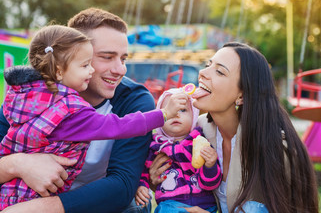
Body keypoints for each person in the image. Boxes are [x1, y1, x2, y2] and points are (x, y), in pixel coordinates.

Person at [0, 25, 187, 210]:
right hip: (31, 193)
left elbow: (122, 186)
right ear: (59, 69)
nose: (121, 70)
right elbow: (119, 126)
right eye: (105, 57)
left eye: (123, 59)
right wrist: (17, 164)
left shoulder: (22, 94)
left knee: (137, 205)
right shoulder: (70, 109)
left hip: (21, 197)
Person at [148, 42, 319, 213]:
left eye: (219, 71)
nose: (202, 73)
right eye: (208, 65)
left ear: (242, 95)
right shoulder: (196, 132)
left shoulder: (276, 149)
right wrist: (158, 182)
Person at [135, 88, 222, 213]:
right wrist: (142, 185)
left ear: (194, 116)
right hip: (170, 205)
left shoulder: (200, 143)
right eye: (169, 110)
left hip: (205, 204)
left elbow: (211, 184)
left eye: (183, 110)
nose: (176, 114)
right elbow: (143, 171)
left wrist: (210, 165)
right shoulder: (154, 147)